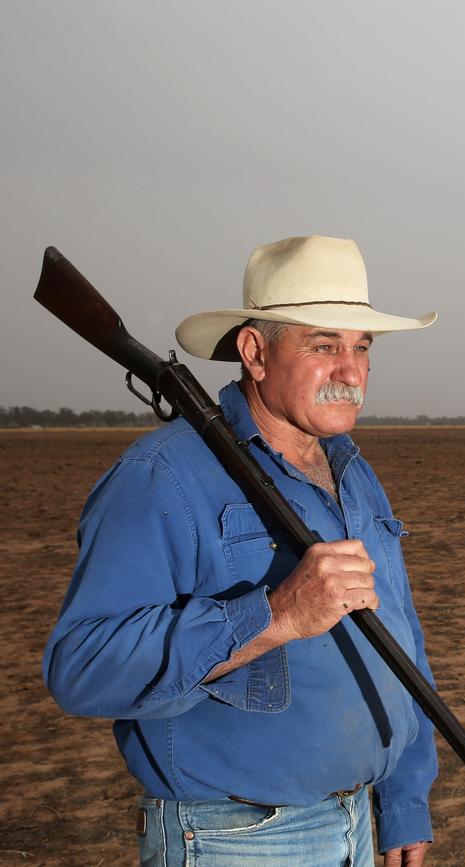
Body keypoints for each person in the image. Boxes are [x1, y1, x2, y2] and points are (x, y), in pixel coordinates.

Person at [43, 235, 439, 867]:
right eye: (323, 345)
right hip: (236, 838)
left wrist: (403, 800)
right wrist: (274, 616)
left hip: (359, 823)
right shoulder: (162, 476)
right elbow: (82, 667)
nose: (351, 371)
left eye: (362, 346)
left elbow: (399, 643)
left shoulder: (353, 472)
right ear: (255, 352)